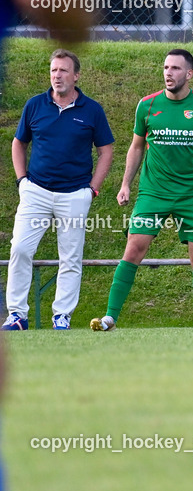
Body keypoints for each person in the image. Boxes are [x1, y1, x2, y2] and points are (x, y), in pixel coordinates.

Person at [92, 49, 193, 331]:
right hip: (153, 192)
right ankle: (110, 317)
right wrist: (126, 183)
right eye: (165, 67)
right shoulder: (147, 105)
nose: (168, 73)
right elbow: (137, 146)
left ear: (189, 74)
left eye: (175, 68)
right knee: (134, 249)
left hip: (192, 193)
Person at [2, 50, 113, 330]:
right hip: (35, 192)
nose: (57, 76)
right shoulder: (35, 105)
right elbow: (19, 143)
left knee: (71, 257)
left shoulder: (92, 110)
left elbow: (106, 151)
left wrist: (92, 190)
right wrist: (22, 181)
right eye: (53, 70)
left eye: (63, 71)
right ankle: (17, 315)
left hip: (75, 194)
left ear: (76, 75)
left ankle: (61, 316)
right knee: (20, 250)